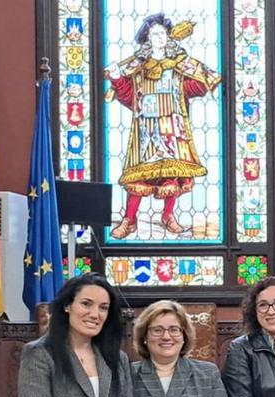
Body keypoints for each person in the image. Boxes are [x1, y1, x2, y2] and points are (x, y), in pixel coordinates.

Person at [105, 13, 221, 238]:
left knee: (174, 174)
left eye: (163, 34)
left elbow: (193, 88)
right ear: (147, 38)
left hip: (173, 126)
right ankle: (129, 219)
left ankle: (168, 216)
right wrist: (118, 79)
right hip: (146, 128)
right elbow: (129, 97)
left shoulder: (179, 64)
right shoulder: (138, 69)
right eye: (155, 34)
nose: (159, 38)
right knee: (138, 175)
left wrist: (201, 77)